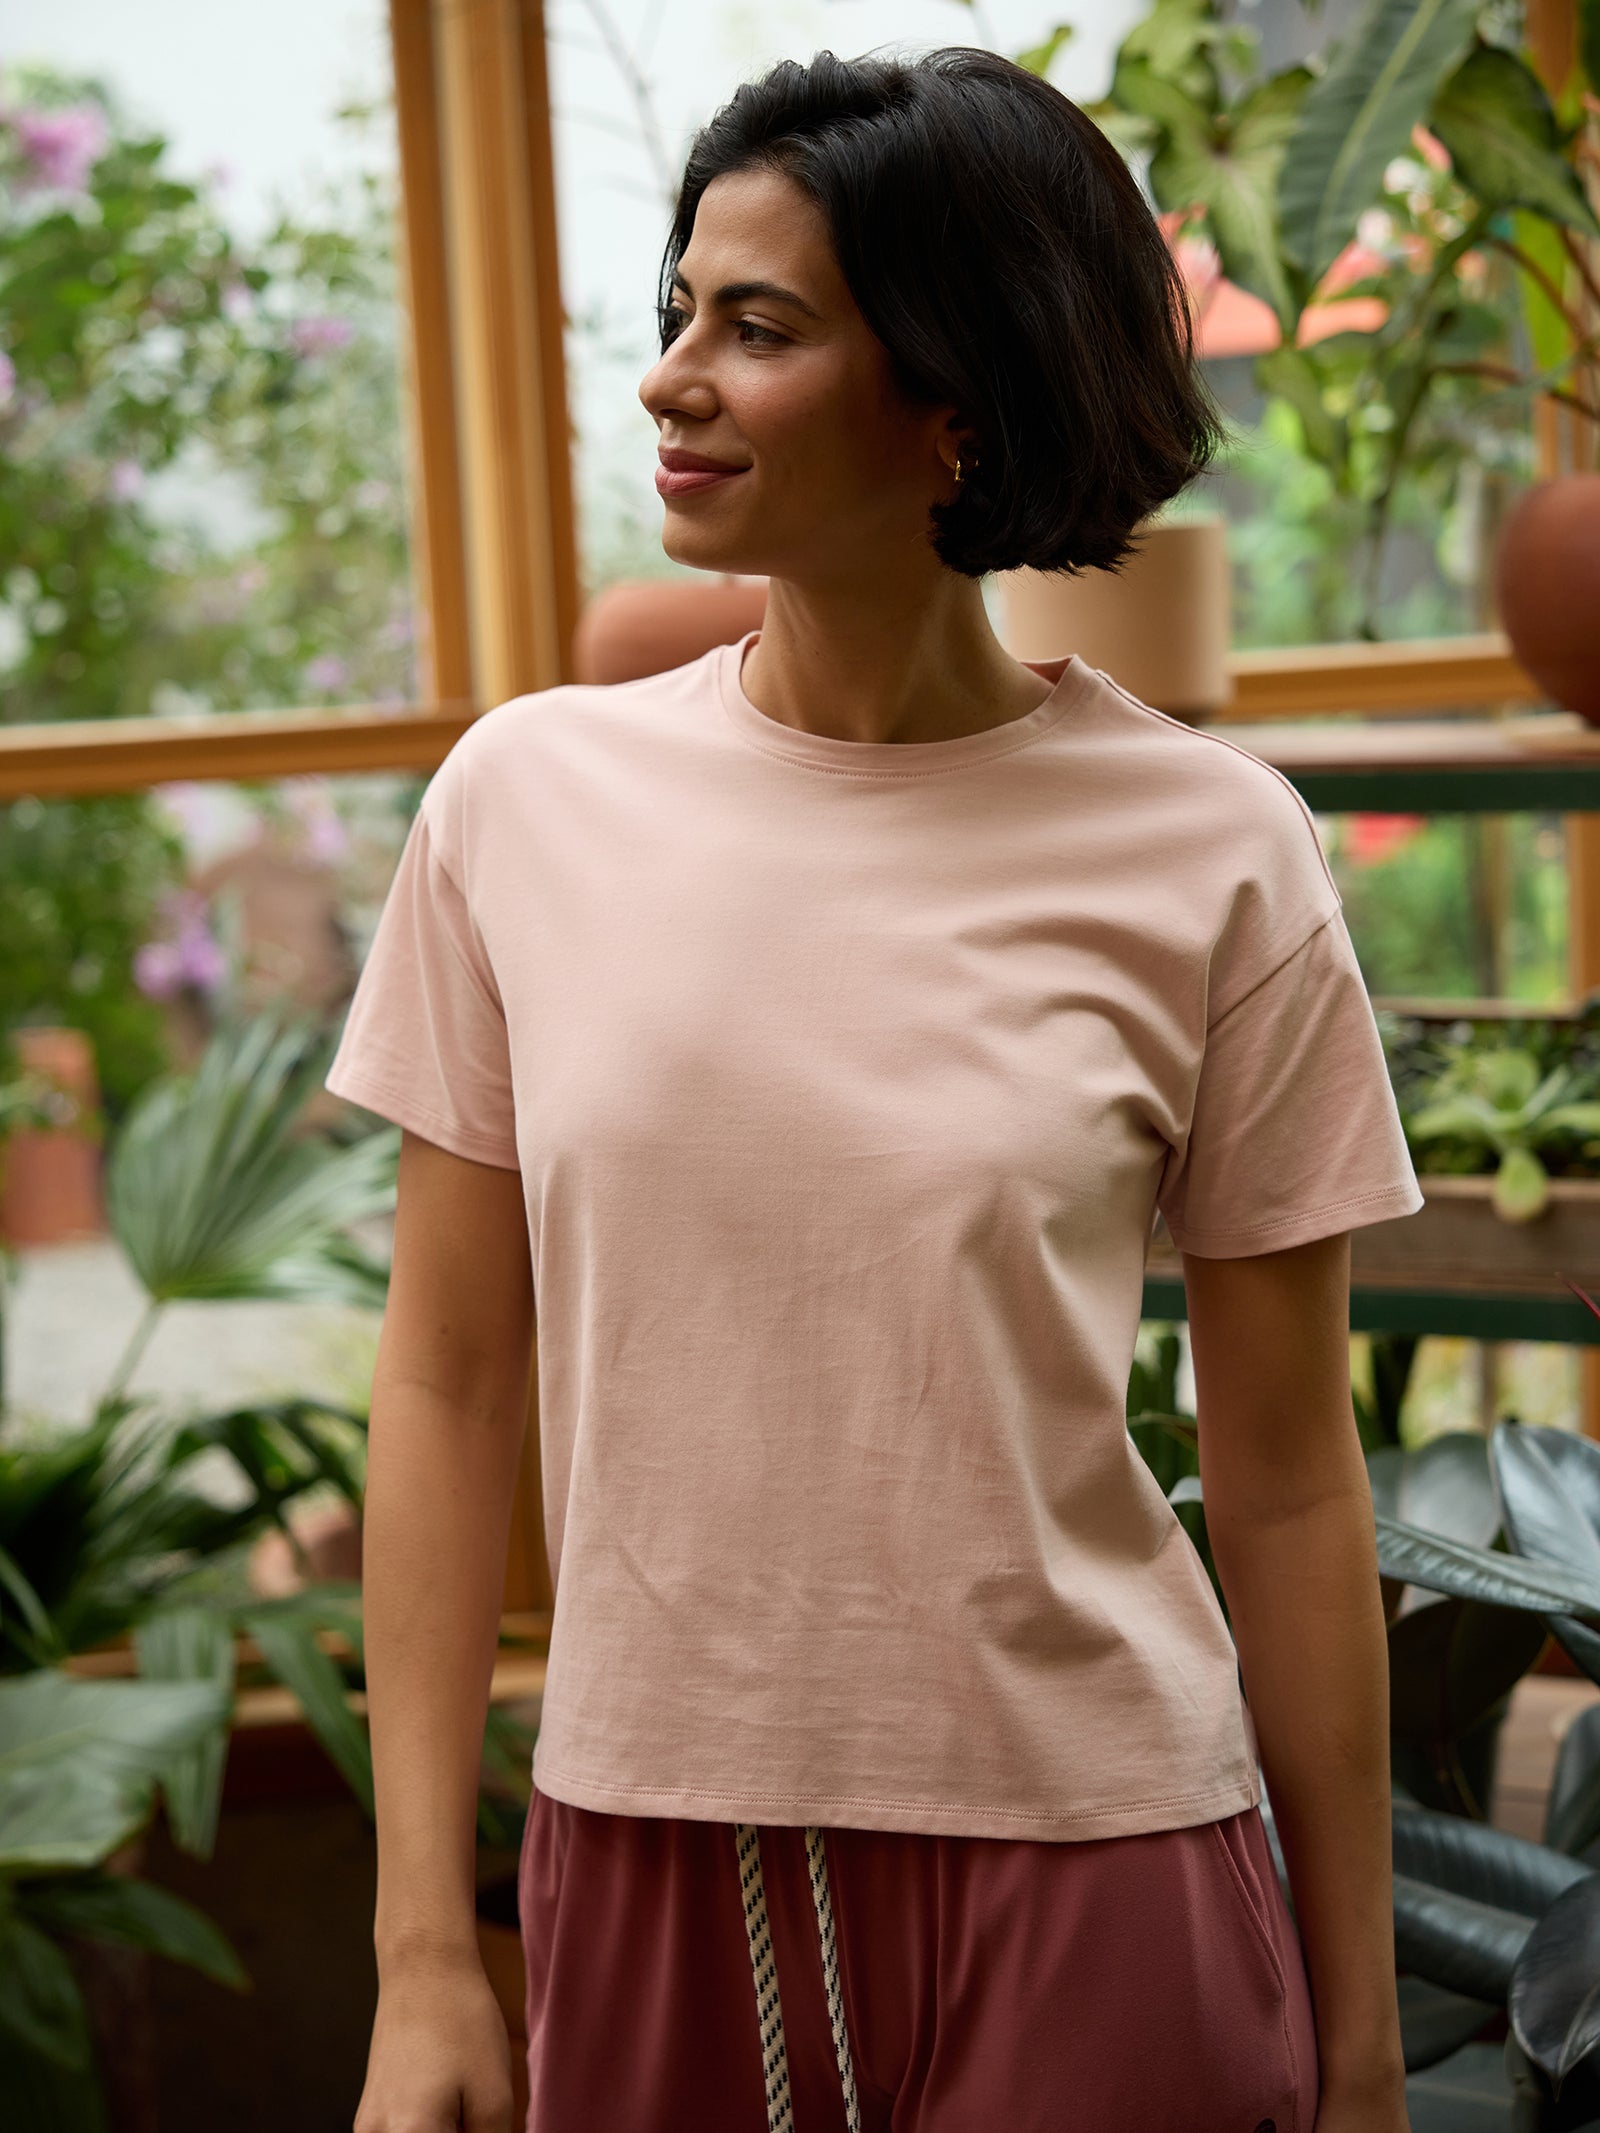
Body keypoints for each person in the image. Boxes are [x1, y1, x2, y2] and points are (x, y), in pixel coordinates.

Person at [337, 45, 1423, 2133]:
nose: (670, 377)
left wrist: (1361, 2045)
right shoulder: (521, 803)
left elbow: (1288, 1481)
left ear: (957, 404)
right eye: (678, 310)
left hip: (1101, 1862)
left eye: (758, 328)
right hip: (644, 1851)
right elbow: (447, 1382)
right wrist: (415, 1957)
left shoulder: (1210, 848)